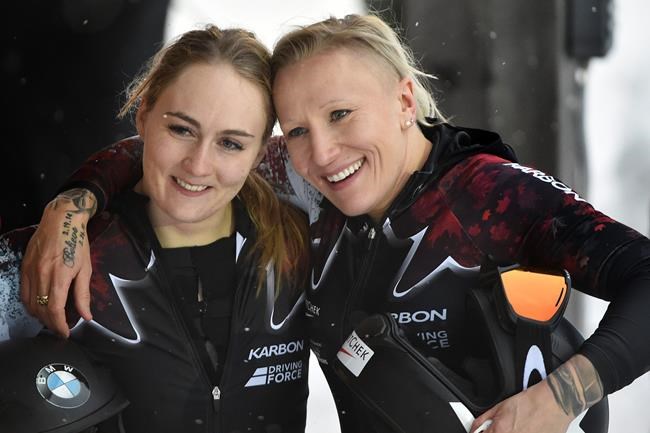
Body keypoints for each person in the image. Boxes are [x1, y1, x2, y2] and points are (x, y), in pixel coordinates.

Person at [18, 14, 650, 433]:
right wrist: (74, 203)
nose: (322, 152)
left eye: (342, 114)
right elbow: (182, 148)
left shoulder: (487, 195)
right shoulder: (304, 185)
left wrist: (562, 396)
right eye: (297, 130)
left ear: (404, 99)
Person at [1, 24, 311, 433]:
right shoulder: (54, 256)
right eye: (181, 129)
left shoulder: (302, 236)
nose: (198, 165)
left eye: (231, 143)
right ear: (144, 115)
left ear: (260, 153)